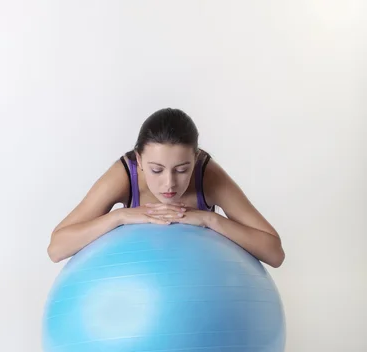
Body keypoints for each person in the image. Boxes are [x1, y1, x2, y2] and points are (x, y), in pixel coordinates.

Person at [47, 108, 285, 267]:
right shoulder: (124, 176)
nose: (169, 183)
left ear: (196, 157)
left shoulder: (207, 175)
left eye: (182, 169)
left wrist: (209, 220)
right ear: (138, 160)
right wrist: (119, 217)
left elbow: (275, 254)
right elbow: (56, 248)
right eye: (156, 170)